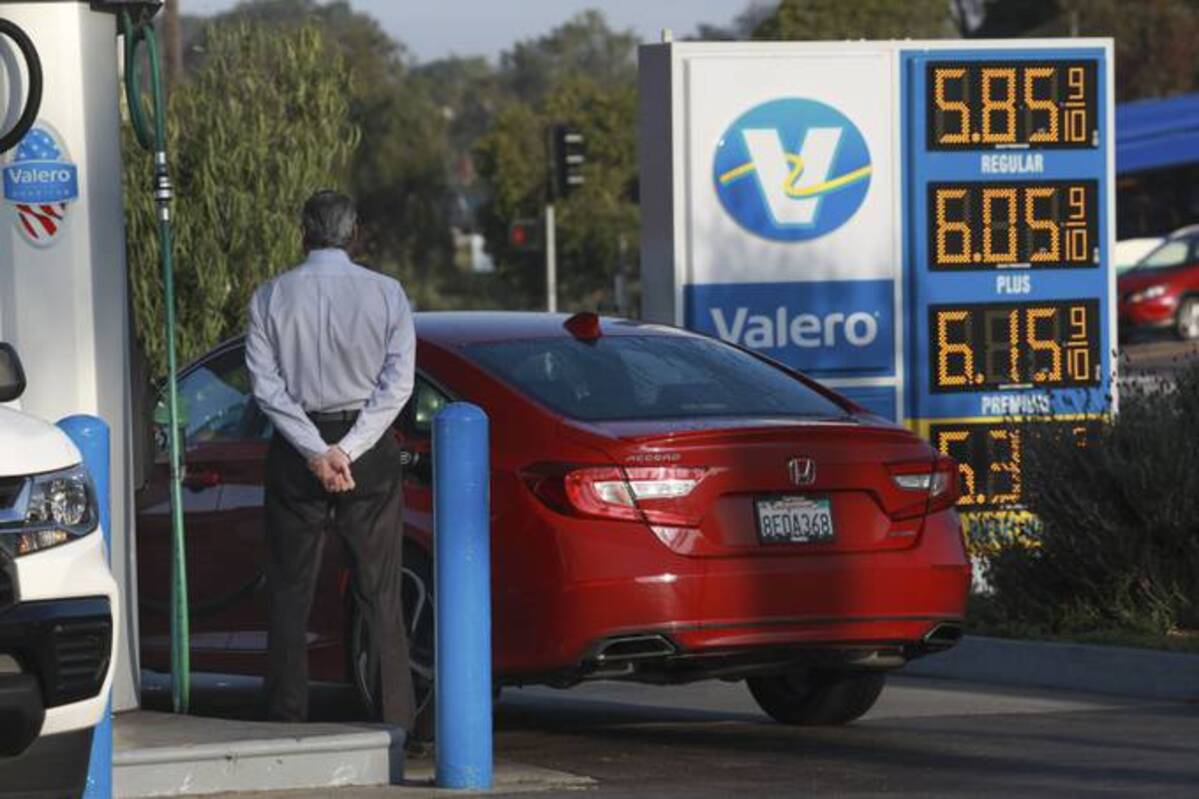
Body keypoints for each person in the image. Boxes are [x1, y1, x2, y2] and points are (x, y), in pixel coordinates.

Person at [245, 190, 417, 734]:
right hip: (367, 452)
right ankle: (396, 721)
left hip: (297, 456)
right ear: (354, 233)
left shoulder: (269, 297)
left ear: (303, 233)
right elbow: (398, 386)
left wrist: (316, 452)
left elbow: (266, 389)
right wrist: (349, 449)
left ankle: (287, 719)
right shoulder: (389, 294)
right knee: (381, 592)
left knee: (290, 593)